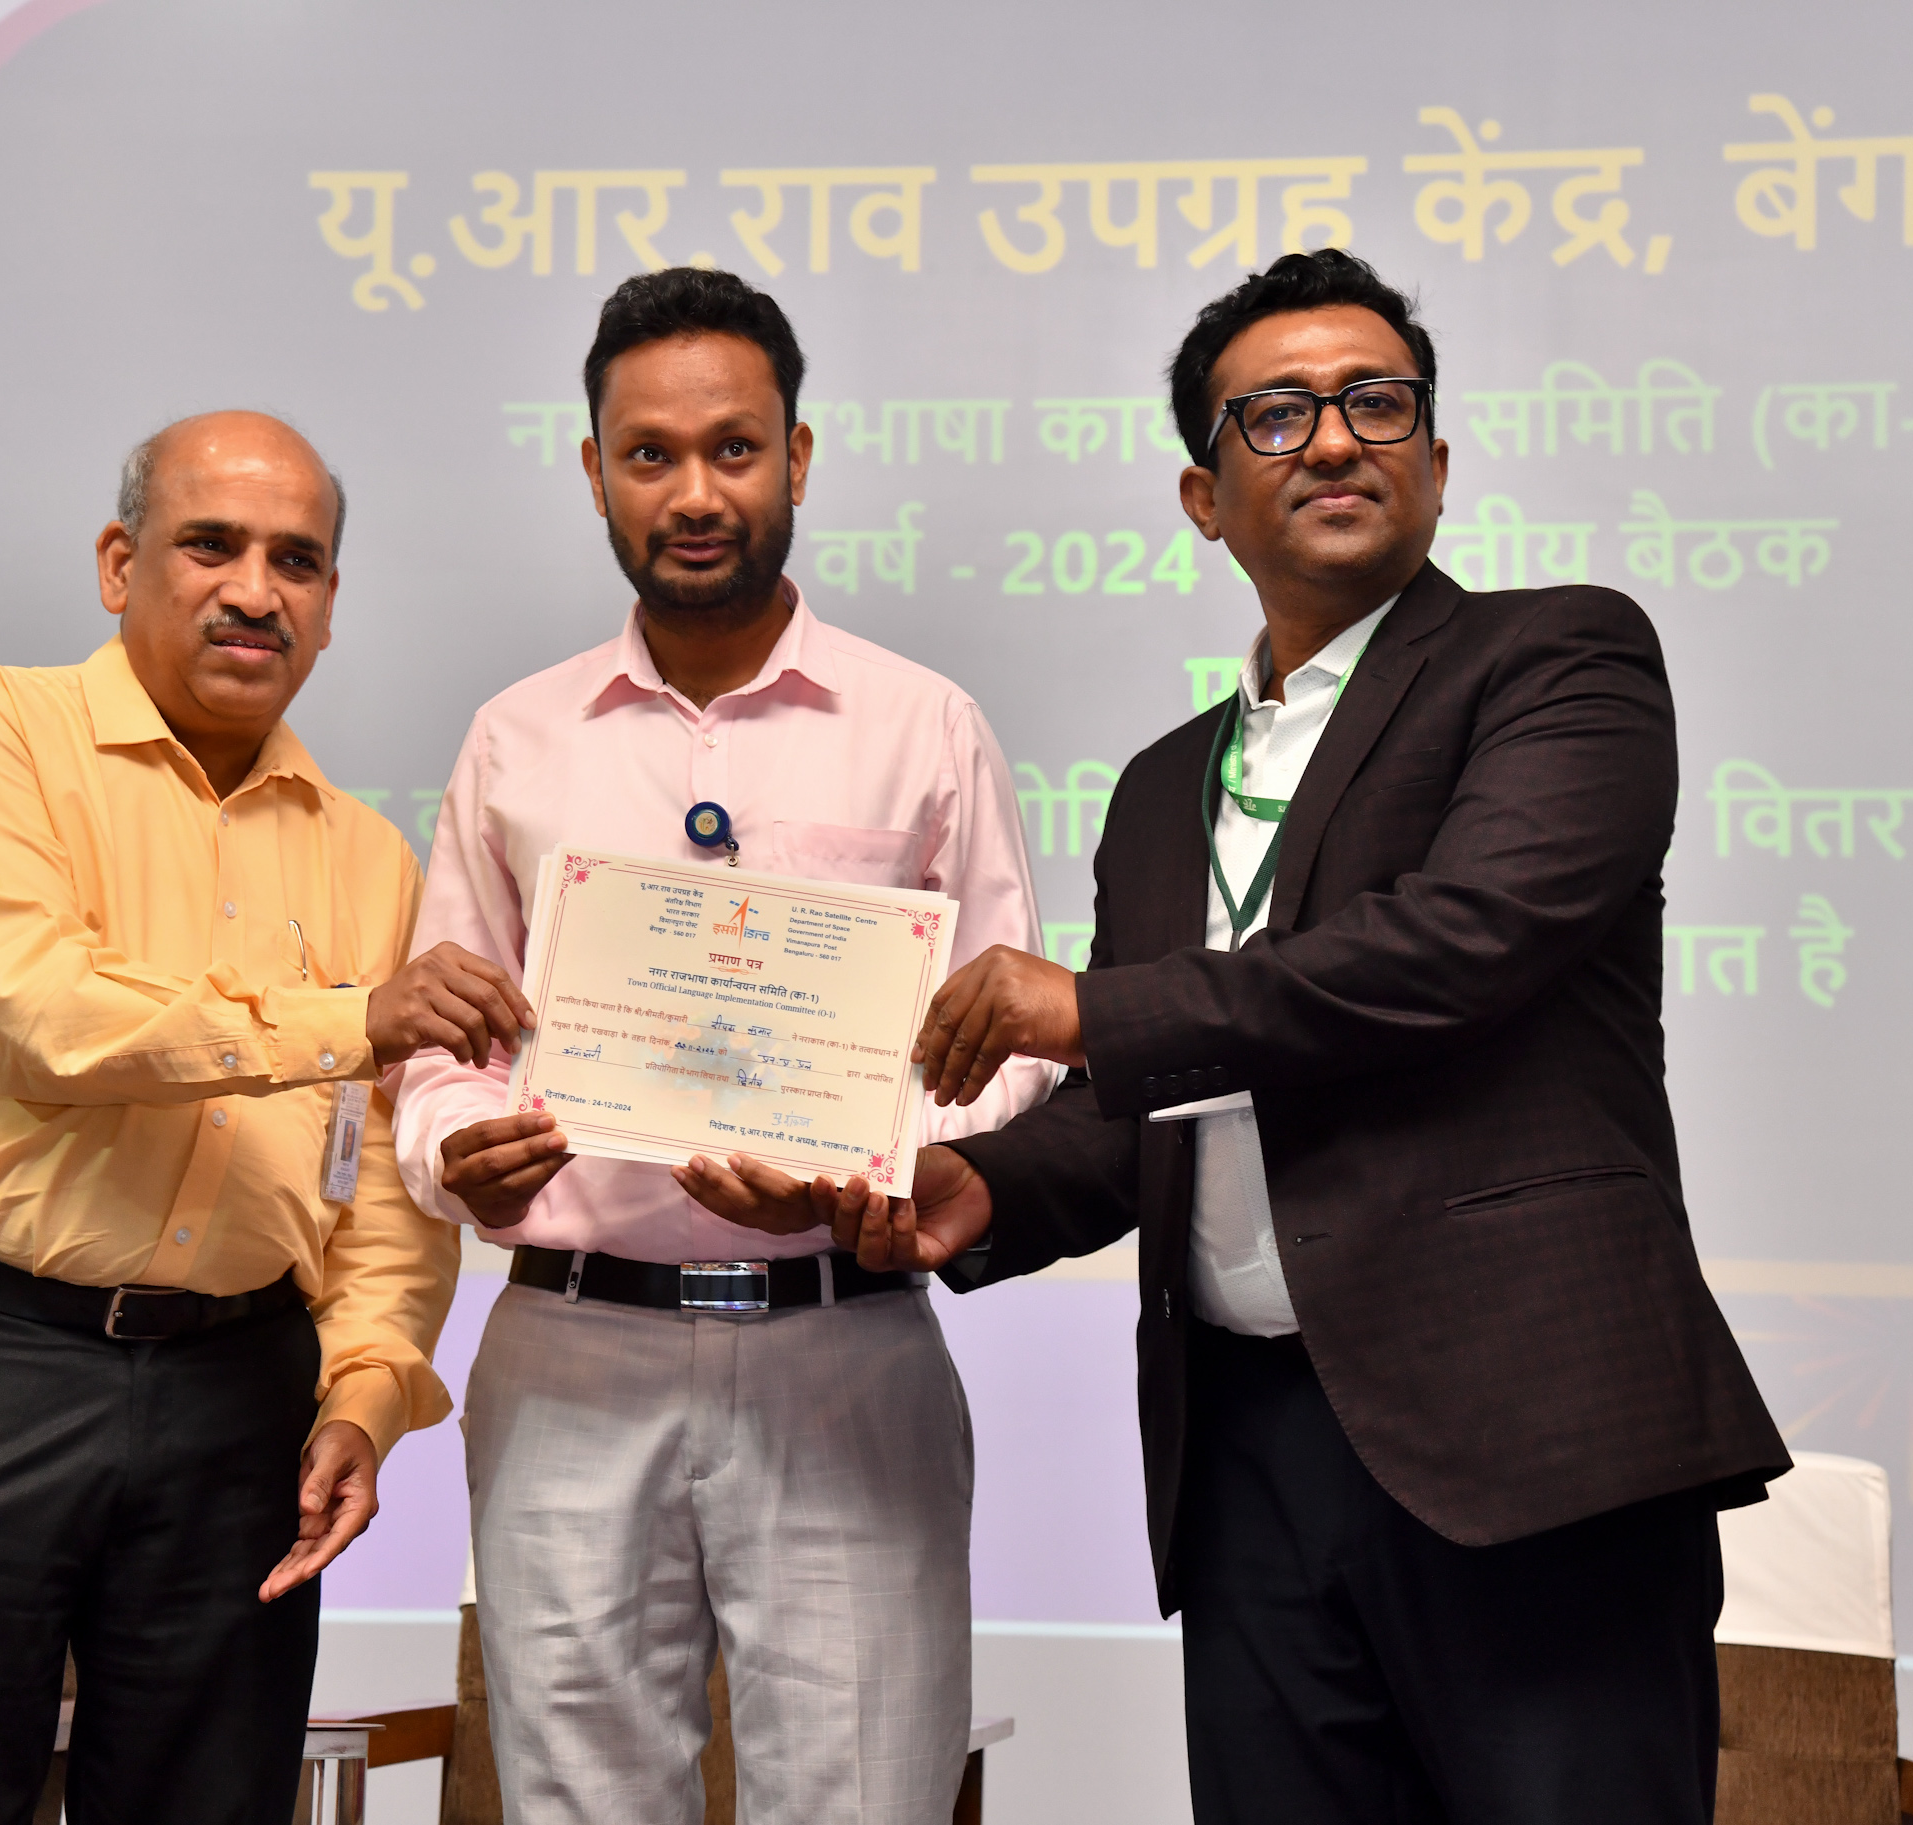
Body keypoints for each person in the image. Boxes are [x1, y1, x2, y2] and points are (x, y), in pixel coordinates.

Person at [851, 251, 1792, 1823]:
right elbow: (1141, 1103)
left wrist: (1092, 1007)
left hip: (1521, 1438)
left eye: (1377, 402)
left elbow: (1455, 946)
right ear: (1203, 497)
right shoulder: (1165, 783)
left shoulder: (1557, 659)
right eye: (1277, 415)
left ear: (1436, 457)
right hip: (1244, 1460)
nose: (1338, 438)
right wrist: (980, 1188)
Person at [0, 411, 529, 1825]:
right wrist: (347, 1016)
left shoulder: (369, 855)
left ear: (329, 604)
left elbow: (383, 1185)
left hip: (244, 1402)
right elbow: (37, 1020)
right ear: (120, 564)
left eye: (297, 561)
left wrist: (364, 1393)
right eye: (211, 546)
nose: (256, 590)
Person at [386, 268, 1056, 1825]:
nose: (694, 493)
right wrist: (449, 1152)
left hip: (845, 1341)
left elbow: (1005, 1041)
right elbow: (444, 1043)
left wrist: (885, 1163)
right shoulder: (515, 739)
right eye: (651, 454)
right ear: (594, 471)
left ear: (796, 457)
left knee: (866, 1798)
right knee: (575, 1802)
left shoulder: (921, 725)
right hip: (570, 1347)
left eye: (733, 449)